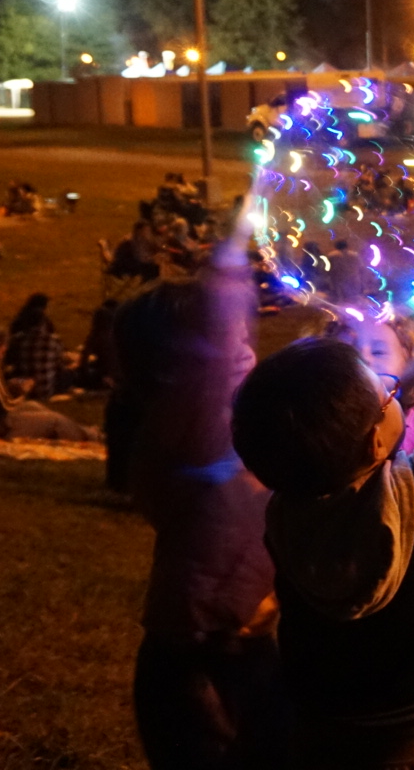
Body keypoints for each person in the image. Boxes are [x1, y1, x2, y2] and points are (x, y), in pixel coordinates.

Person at [231, 241, 414, 769]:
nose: (393, 391)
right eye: (385, 396)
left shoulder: (285, 507)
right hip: (412, 735)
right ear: (377, 444)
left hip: (322, 726)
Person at [114, 276, 282, 770]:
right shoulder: (173, 438)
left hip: (256, 647)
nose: (243, 349)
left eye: (242, 336)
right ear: (168, 371)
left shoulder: (242, 429)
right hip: (193, 661)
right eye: (220, 340)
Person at [0, 328, 100, 440]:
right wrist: (22, 390)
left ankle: (84, 430)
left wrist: (11, 388)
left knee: (33, 406)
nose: (2, 356)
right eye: (2, 352)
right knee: (54, 420)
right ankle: (94, 436)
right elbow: (4, 405)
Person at [4, 293, 66, 401]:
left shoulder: (17, 337)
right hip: (44, 387)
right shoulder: (52, 339)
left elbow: (9, 359)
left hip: (23, 383)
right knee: (68, 374)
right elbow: (59, 365)